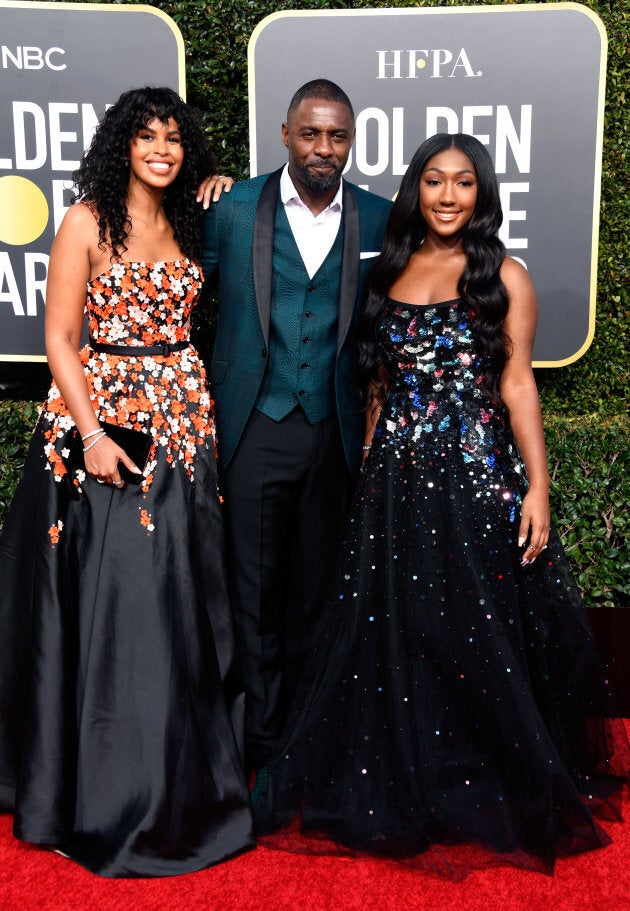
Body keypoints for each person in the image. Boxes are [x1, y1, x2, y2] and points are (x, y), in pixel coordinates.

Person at [254, 133, 630, 874]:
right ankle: (409, 771)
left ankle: (474, 775)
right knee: (397, 631)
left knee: (473, 633)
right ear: (415, 192)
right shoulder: (388, 269)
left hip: (473, 478)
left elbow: (517, 383)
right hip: (394, 482)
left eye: (463, 182)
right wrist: (367, 466)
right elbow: (377, 386)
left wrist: (538, 485)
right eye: (434, 181)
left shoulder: (503, 275)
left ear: (481, 194)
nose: (449, 195)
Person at [0, 87, 253, 877]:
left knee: (182, 601)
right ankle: (111, 794)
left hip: (183, 421)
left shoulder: (196, 216)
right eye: (146, 136)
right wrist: (93, 435)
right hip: (106, 425)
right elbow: (58, 337)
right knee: (119, 609)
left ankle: (180, 778)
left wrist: (220, 185)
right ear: (120, 144)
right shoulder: (85, 220)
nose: (162, 148)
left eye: (175, 138)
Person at [199, 79, 392, 779]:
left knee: (320, 593)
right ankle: (259, 744)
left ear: (350, 141)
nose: (323, 148)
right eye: (310, 133)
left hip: (334, 429)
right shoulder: (231, 207)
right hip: (253, 423)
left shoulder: (379, 216)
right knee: (251, 593)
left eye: (337, 136)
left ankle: (313, 742)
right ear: (284, 134)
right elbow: (191, 296)